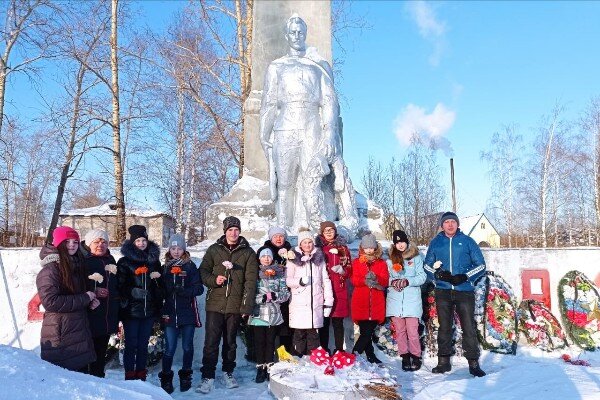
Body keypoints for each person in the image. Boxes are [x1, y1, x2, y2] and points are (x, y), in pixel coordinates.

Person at [259, 15, 358, 232]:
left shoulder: (319, 66)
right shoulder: (276, 67)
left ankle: (313, 227)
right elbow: (269, 102)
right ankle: (283, 228)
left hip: (312, 125)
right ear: (287, 36)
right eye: (292, 32)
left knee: (311, 178)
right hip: (285, 125)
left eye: (300, 32)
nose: (296, 36)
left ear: (305, 34)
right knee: (285, 182)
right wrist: (264, 134)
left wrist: (330, 130)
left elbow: (329, 101)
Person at [197, 216, 258, 394]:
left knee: (230, 342)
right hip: (215, 305)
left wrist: (246, 306)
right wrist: (214, 280)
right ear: (225, 231)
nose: (233, 233)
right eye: (230, 230)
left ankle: (228, 372)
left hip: (235, 305)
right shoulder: (214, 249)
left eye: (236, 230)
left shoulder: (248, 253)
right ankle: (208, 376)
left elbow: (250, 281)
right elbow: (203, 271)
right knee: (211, 342)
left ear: (240, 231)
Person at [423, 212, 487, 377]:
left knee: (468, 327)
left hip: (464, 291)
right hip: (443, 291)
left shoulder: (467, 241)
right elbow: (427, 265)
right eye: (447, 222)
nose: (450, 225)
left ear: (457, 224)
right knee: (444, 327)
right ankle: (443, 362)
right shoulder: (436, 243)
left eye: (453, 221)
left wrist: (465, 276)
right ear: (442, 225)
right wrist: (437, 275)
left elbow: (481, 265)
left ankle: (473, 363)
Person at [36, 226, 96, 371]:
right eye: (67, 242)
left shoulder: (75, 265)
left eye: (75, 242)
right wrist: (85, 298)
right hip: (61, 333)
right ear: (58, 243)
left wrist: (89, 302)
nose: (71, 245)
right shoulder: (50, 270)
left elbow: (75, 294)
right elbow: (51, 302)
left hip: (77, 331)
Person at [117, 225, 163, 381]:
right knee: (131, 344)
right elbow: (119, 286)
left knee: (143, 345)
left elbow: (159, 285)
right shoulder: (124, 262)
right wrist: (132, 291)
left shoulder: (153, 262)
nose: (142, 243)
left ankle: (141, 374)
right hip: (131, 311)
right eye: (138, 241)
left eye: (144, 240)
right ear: (132, 242)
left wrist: (157, 286)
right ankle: (130, 375)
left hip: (148, 311)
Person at [158, 234, 203, 394]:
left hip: (187, 313)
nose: (176, 251)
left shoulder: (190, 266)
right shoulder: (164, 267)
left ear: (184, 249)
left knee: (187, 347)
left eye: (179, 248)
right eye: (173, 248)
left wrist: (184, 291)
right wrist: (163, 290)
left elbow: (199, 288)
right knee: (169, 348)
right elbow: (159, 289)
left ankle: (186, 376)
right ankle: (166, 377)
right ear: (169, 250)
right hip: (169, 313)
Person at [286, 229, 334, 356]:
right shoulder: (293, 258)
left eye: (310, 242)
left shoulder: (319, 259)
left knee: (314, 336)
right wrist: (300, 281)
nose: (307, 245)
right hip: (299, 304)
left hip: (315, 304)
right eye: (304, 242)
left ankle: (312, 361)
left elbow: (326, 280)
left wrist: (329, 301)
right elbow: (288, 280)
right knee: (299, 334)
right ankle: (298, 359)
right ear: (300, 244)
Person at [386, 230, 426, 371]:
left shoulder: (416, 258)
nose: (400, 245)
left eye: (402, 241)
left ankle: (416, 356)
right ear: (394, 244)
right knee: (400, 331)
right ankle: (405, 357)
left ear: (407, 242)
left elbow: (422, 277)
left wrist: (407, 281)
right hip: (395, 301)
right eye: (397, 243)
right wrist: (393, 282)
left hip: (412, 302)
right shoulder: (389, 260)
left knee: (413, 332)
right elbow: (385, 278)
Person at [249, 248, 290, 383]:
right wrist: (260, 298)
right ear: (259, 259)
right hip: (258, 313)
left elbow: (286, 294)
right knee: (259, 341)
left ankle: (269, 365)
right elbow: (249, 294)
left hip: (274, 313)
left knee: (271, 341)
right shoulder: (255, 274)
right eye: (263, 256)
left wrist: (275, 295)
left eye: (269, 256)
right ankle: (260, 367)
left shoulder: (279, 274)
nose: (266, 259)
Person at [82, 229, 119, 377]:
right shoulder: (85, 261)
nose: (100, 245)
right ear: (89, 244)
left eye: (104, 242)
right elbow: (78, 285)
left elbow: (116, 285)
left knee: (100, 353)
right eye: (96, 242)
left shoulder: (111, 260)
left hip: (107, 315)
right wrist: (94, 291)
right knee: (88, 354)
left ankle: (98, 378)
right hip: (90, 315)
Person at [350, 233, 388, 364]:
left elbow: (385, 280)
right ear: (362, 248)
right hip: (361, 302)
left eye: (371, 247)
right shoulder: (357, 262)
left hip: (376, 302)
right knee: (365, 332)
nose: (369, 250)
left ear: (375, 247)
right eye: (366, 248)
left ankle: (354, 355)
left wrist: (376, 279)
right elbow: (354, 280)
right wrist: (365, 280)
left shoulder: (381, 263)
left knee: (367, 332)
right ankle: (369, 356)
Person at [315, 221, 352, 354]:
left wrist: (343, 271)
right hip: (323, 289)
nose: (329, 232)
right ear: (322, 233)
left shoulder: (343, 248)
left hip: (339, 289)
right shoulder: (318, 249)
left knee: (338, 322)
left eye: (331, 229)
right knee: (323, 322)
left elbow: (349, 268)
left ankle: (339, 350)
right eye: (326, 230)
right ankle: (324, 349)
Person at [257, 226, 294, 353]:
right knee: (269, 326)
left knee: (285, 324)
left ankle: (285, 351)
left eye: (281, 236)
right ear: (271, 238)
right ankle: (267, 354)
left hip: (285, 292)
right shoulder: (265, 252)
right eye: (275, 236)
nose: (278, 239)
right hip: (268, 294)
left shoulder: (290, 251)